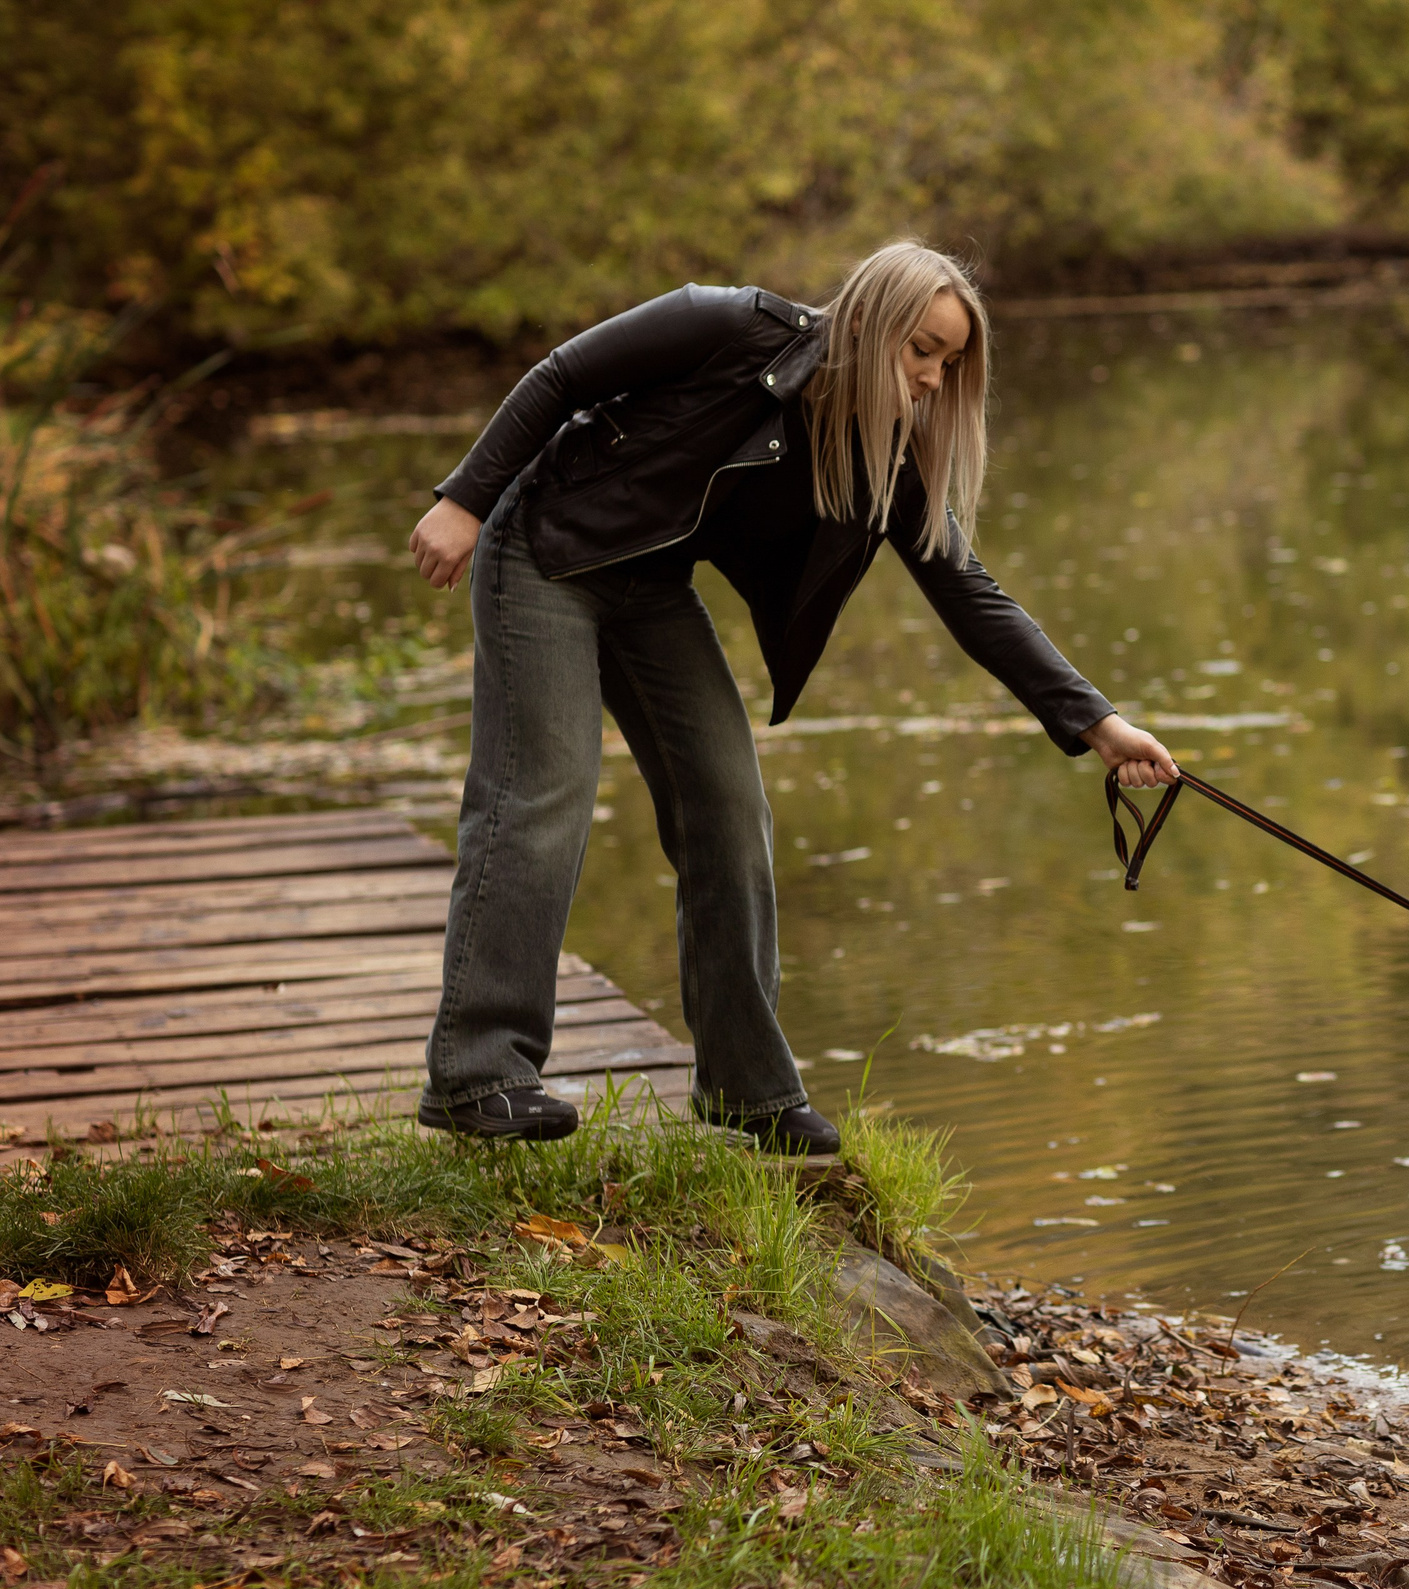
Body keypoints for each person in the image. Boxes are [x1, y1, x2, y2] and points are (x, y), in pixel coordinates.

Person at [405, 240, 1176, 1156]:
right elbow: (564, 373)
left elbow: (974, 596)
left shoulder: (886, 460)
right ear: (869, 320)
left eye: (948, 362)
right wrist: (466, 496)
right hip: (545, 547)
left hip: (648, 591)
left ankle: (746, 1090)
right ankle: (478, 1071)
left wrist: (1100, 724)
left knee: (730, 811)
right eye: (920, 349)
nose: (933, 376)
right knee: (546, 793)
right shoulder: (732, 325)